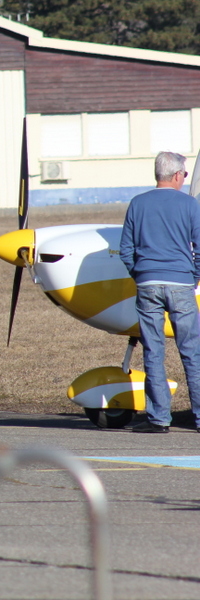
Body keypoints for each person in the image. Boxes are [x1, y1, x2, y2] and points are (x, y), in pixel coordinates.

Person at [119, 151, 200, 433]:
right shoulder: (190, 205)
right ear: (178, 175)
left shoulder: (137, 204)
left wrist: (140, 274)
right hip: (180, 285)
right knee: (192, 351)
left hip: (147, 284)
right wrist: (192, 279)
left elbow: (126, 250)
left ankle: (158, 419)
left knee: (153, 351)